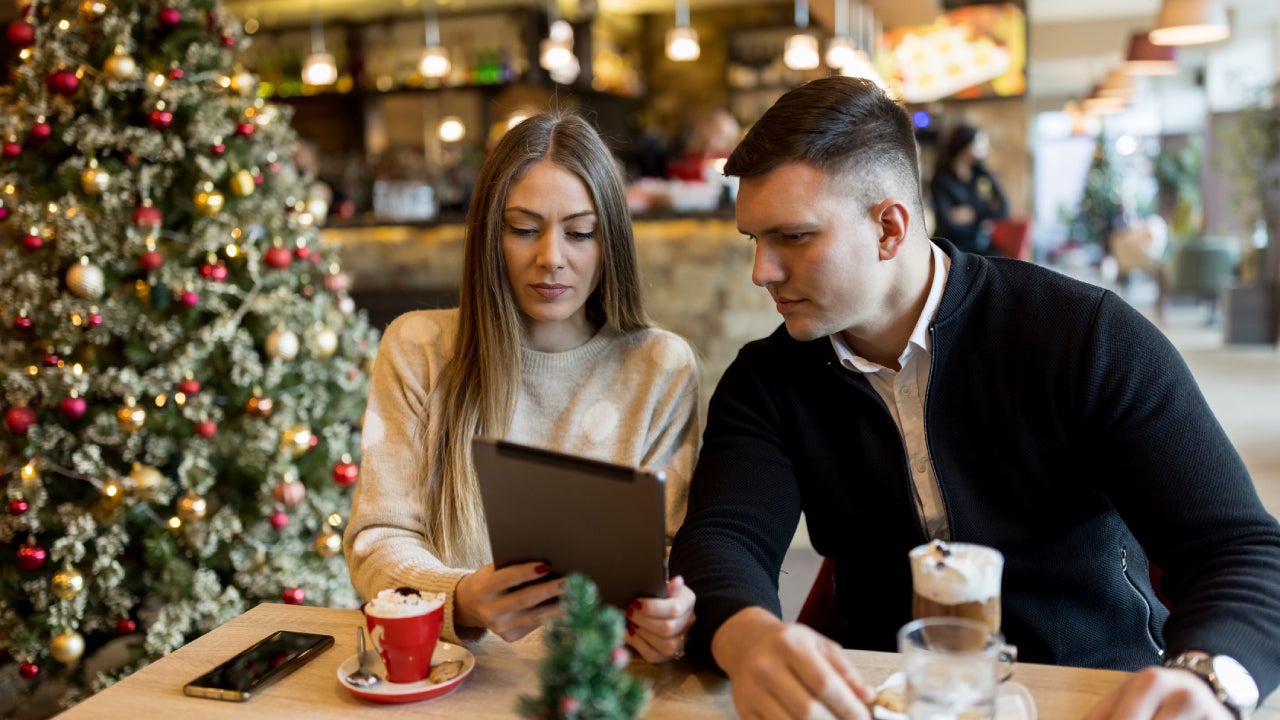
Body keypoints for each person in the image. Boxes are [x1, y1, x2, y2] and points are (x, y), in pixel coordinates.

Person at [668, 76, 1280, 719]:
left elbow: (1240, 550)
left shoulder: (1083, 336)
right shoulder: (767, 379)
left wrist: (1207, 682)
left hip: (1096, 692)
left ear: (888, 227)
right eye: (753, 240)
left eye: (793, 237)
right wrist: (747, 634)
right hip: (886, 699)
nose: (761, 271)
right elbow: (722, 540)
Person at [345, 111, 700, 663]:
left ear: (611, 244)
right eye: (524, 229)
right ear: (491, 234)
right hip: (457, 675)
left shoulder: (659, 365)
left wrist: (673, 609)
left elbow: (675, 552)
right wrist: (459, 599)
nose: (551, 258)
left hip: (599, 677)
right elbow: (378, 539)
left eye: (580, 233)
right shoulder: (417, 348)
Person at [929, 123, 1008, 256]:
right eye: (980, 143)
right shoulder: (942, 179)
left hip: (979, 242)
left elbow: (1003, 209)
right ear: (966, 146)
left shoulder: (983, 175)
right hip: (952, 245)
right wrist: (984, 214)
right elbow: (946, 221)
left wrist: (973, 215)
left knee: (1002, 262)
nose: (986, 147)